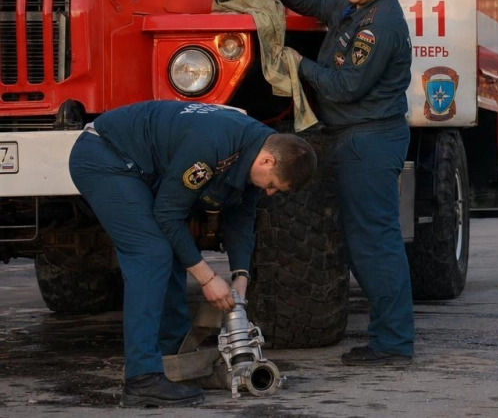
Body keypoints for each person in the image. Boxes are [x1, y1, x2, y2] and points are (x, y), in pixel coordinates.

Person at [68, 100, 316, 408]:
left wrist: (241, 277)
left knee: (172, 251)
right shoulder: (213, 145)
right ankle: (142, 379)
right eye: (274, 186)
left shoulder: (259, 146)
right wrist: (208, 278)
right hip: (106, 155)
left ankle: (170, 361)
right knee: (151, 252)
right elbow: (168, 215)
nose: (270, 193)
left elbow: (241, 219)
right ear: (267, 162)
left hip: (139, 166)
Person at [252, 0, 415, 367]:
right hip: (355, 137)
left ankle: (394, 343)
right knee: (367, 242)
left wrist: (297, 62)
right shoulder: (354, 0)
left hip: (370, 141)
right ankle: (390, 336)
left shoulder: (380, 26)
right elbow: (324, 4)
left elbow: (346, 86)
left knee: (375, 244)